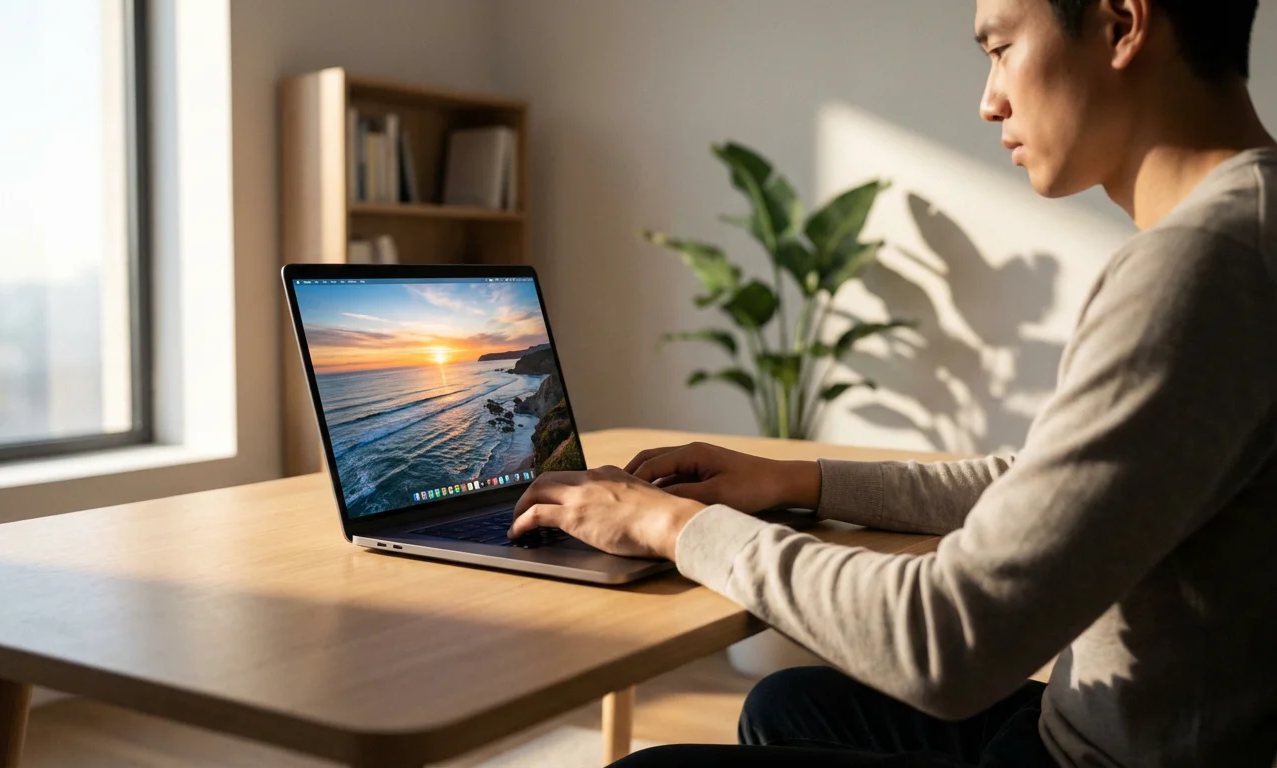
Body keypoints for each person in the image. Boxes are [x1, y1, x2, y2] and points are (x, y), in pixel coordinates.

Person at [508, 0, 1277, 764]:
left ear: (1120, 24)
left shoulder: (1206, 266)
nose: (989, 101)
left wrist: (667, 528)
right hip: (1098, 725)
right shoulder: (1244, 227)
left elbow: (948, 640)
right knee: (788, 702)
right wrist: (796, 480)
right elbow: (1045, 485)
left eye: (1002, 47)